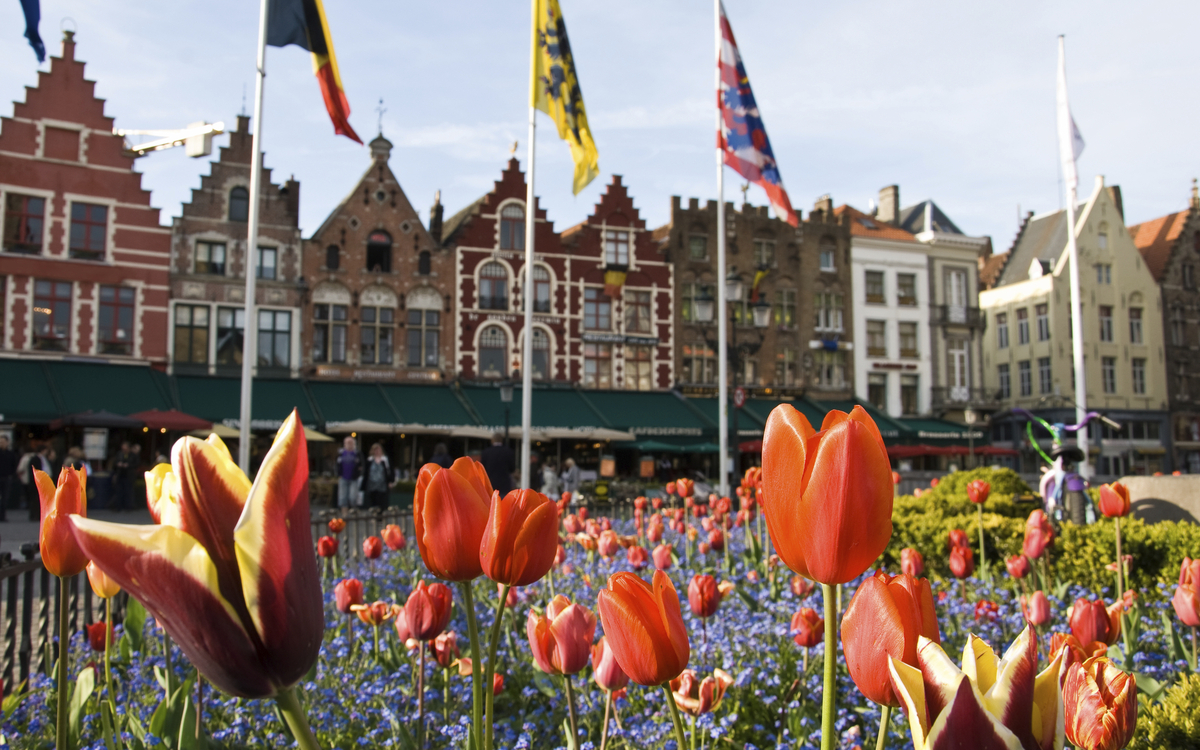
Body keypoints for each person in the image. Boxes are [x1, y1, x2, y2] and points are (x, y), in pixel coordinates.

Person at [25, 444, 56, 520]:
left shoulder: (43, 459)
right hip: (37, 482)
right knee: (35, 499)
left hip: (41, 481)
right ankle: (34, 515)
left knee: (38, 499)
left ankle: (37, 515)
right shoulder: (36, 459)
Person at [360, 443, 395, 509]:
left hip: (382, 485)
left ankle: (380, 517)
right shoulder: (369, 460)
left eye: (378, 450)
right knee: (372, 502)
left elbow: (390, 471)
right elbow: (366, 473)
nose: (377, 451)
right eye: (375, 450)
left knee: (382, 502)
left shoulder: (385, 460)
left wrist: (391, 481)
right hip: (371, 485)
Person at [480, 433, 515, 497]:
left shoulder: (486, 452)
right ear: (502, 440)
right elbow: (512, 468)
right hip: (504, 484)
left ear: (492, 440)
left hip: (491, 483)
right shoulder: (508, 452)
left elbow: (482, 469)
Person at [336, 437, 362, 508]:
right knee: (342, 498)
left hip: (354, 478)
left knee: (353, 497)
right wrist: (338, 474)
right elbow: (337, 464)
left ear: (354, 444)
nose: (349, 444)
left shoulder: (357, 453)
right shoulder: (341, 454)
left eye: (351, 443)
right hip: (343, 477)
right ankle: (344, 516)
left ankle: (353, 512)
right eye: (347, 443)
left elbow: (361, 465)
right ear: (344, 444)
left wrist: (359, 473)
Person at [111, 442, 134, 511]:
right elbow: (114, 463)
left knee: (128, 492)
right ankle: (118, 507)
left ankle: (128, 507)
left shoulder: (132, 455)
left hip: (128, 475)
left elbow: (136, 464)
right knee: (119, 491)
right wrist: (118, 464)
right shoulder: (119, 454)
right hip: (120, 475)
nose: (124, 450)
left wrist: (128, 465)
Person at [0, 435, 16, 521]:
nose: (1, 443)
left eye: (3, 442)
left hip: (6, 478)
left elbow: (14, 465)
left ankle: (3, 516)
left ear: (7, 443)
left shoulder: (10, 454)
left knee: (5, 498)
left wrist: (11, 475)